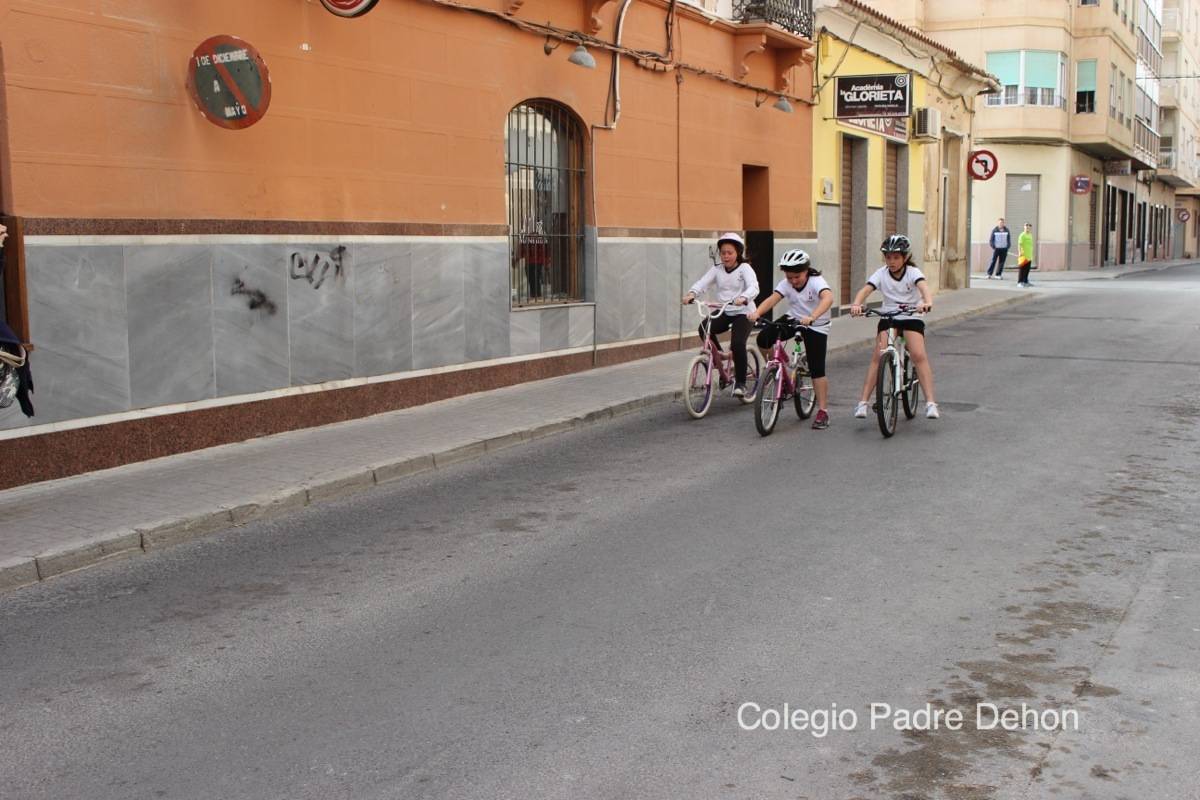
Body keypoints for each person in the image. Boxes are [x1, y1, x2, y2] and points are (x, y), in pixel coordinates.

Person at [849, 233, 939, 420]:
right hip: (889, 316)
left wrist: (926, 302)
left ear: (905, 257)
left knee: (918, 354)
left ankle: (930, 403)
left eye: (896, 257)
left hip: (911, 315)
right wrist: (857, 304)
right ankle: (863, 403)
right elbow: (866, 290)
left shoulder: (913, 273)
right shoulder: (881, 273)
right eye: (888, 257)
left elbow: (923, 288)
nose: (892, 261)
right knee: (878, 355)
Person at [748, 249, 834, 429]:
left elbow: (828, 298)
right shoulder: (786, 283)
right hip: (794, 318)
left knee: (817, 369)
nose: (793, 281)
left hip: (816, 324)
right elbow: (773, 299)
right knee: (763, 339)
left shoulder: (817, 281)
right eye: (789, 277)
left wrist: (813, 316)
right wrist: (757, 313)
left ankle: (823, 411)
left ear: (806, 270)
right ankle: (776, 369)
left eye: (797, 277)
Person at [682, 232, 759, 396]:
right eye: (723, 252)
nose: (726, 256)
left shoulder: (745, 268)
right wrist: (692, 294)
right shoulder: (717, 269)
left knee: (738, 344)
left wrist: (744, 297)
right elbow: (703, 283)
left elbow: (754, 287)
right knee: (704, 328)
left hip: (744, 312)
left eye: (729, 253)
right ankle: (720, 356)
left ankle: (741, 383)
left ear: (738, 252)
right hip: (726, 309)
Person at [1016, 222, 1035, 287]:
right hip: (1023, 255)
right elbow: (1019, 244)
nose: (1027, 227)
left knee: (1027, 270)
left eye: (1029, 226)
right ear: (1024, 227)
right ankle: (1019, 282)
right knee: (1022, 269)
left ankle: (1025, 281)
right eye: (1026, 226)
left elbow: (1030, 245)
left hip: (1029, 255)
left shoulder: (1030, 235)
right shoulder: (1022, 235)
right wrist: (1019, 252)